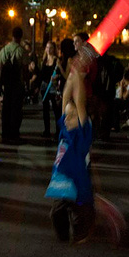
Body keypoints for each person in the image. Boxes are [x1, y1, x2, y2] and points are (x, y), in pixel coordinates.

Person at [47, 46, 96, 244]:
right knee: (56, 213)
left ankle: (82, 231)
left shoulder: (82, 133)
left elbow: (79, 103)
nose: (66, 119)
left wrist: (77, 77)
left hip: (78, 183)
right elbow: (66, 98)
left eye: (72, 116)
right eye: (66, 116)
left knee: (81, 213)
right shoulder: (65, 130)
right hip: (61, 183)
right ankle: (64, 236)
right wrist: (72, 76)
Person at [0, 27, 27, 143]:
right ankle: (14, 133)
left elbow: (1, 68)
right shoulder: (21, 51)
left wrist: (0, 84)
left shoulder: (4, 50)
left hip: (7, 84)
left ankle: (5, 133)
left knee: (6, 108)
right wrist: (26, 84)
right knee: (16, 109)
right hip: (17, 83)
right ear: (21, 36)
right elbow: (24, 69)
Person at [39, 41, 60, 139]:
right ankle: (46, 130)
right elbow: (41, 74)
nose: (48, 50)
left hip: (52, 86)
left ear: (54, 49)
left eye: (51, 47)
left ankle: (58, 131)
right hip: (44, 86)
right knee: (45, 110)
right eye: (47, 47)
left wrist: (56, 77)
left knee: (56, 110)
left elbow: (59, 73)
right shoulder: (44, 60)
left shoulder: (56, 60)